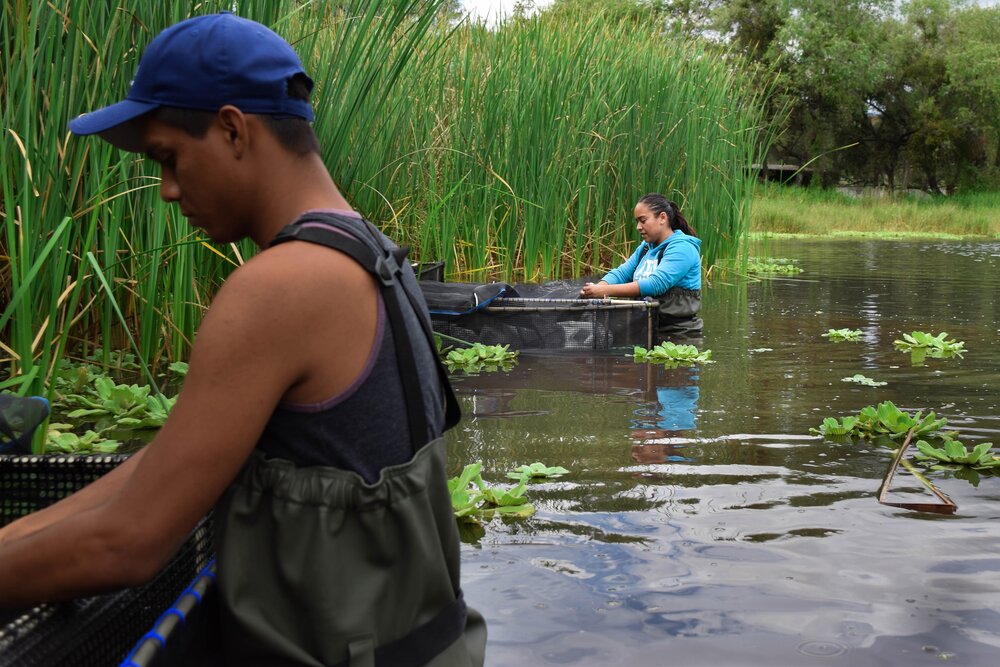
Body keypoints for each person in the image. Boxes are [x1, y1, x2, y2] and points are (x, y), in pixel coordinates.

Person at [0, 12, 486, 666]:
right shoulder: (377, 257)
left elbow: (129, 541)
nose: (168, 190)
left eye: (169, 158)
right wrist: (16, 535)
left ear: (232, 129)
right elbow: (164, 464)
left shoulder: (279, 286)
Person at [580, 193, 703, 337]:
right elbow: (621, 273)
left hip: (679, 337)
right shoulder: (645, 247)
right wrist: (599, 288)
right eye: (637, 221)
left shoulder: (683, 248)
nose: (638, 227)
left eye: (643, 220)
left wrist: (604, 291)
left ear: (662, 218)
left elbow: (656, 284)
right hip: (646, 332)